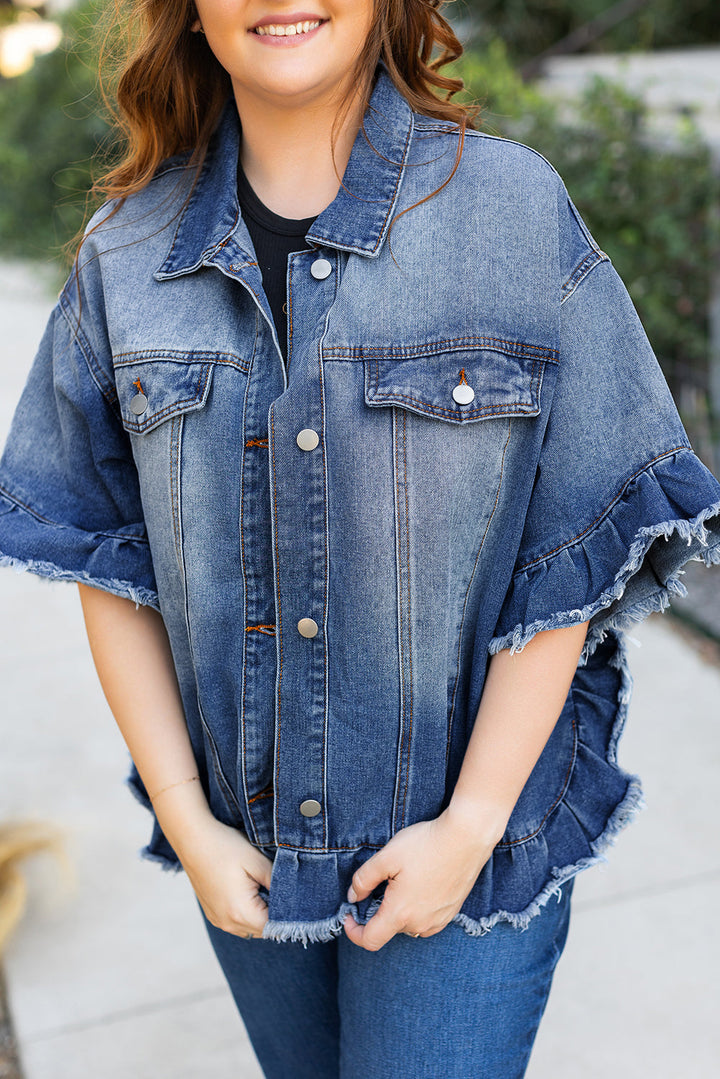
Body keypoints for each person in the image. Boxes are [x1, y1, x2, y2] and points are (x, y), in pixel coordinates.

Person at [1, 1, 719, 1076]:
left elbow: (564, 553)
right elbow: (109, 560)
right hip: (247, 845)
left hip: (476, 855)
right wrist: (188, 819)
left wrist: (472, 822)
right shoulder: (125, 255)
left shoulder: (511, 212)